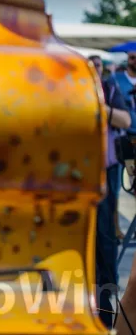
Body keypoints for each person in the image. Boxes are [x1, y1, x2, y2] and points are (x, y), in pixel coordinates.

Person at [89, 54, 132, 328]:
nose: (94, 71)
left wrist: (100, 108)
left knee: (105, 242)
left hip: (105, 171)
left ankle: (106, 314)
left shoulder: (110, 88)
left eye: (97, 68)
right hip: (76, 177)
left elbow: (126, 120)